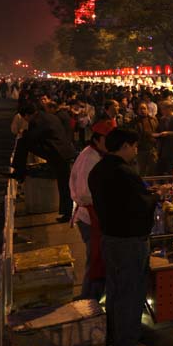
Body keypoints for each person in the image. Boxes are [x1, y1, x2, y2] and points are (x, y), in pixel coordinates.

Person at [89, 128, 159, 346]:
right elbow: (140, 206)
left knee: (116, 291)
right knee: (131, 293)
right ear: (125, 146)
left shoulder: (98, 170)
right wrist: (156, 197)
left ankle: (116, 339)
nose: (136, 150)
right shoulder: (123, 172)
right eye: (134, 146)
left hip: (109, 238)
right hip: (129, 241)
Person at [9, 101, 79, 222]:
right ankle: (67, 213)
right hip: (61, 151)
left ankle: (19, 172)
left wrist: (24, 133)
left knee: (22, 142)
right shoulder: (47, 116)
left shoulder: (38, 121)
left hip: (57, 153)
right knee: (64, 184)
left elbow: (31, 137)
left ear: (26, 115)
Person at [69, 121, 112, 300]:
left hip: (93, 216)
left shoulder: (96, 154)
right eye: (108, 139)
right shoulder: (90, 158)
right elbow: (84, 193)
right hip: (90, 217)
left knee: (98, 260)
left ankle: (92, 298)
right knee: (95, 261)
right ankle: (88, 301)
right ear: (97, 139)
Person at [154, 100, 173, 175]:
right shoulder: (162, 119)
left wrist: (168, 134)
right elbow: (158, 131)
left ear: (170, 108)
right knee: (159, 174)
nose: (161, 111)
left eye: (163, 109)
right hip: (162, 152)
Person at [132, 102, 159, 176]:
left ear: (147, 110)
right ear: (137, 110)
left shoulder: (153, 120)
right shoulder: (134, 122)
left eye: (144, 108)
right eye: (140, 109)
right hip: (141, 149)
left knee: (153, 170)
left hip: (152, 148)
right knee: (141, 171)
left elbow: (157, 130)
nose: (142, 110)